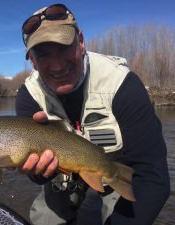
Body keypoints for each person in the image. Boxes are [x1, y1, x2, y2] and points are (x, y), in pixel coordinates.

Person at [15, 3, 170, 225]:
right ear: (32, 60)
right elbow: (37, 174)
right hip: (64, 173)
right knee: (45, 218)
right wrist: (38, 171)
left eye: (63, 47)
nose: (57, 65)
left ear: (81, 42)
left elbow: (152, 176)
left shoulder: (122, 85)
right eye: (43, 53)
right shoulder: (29, 96)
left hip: (113, 166)